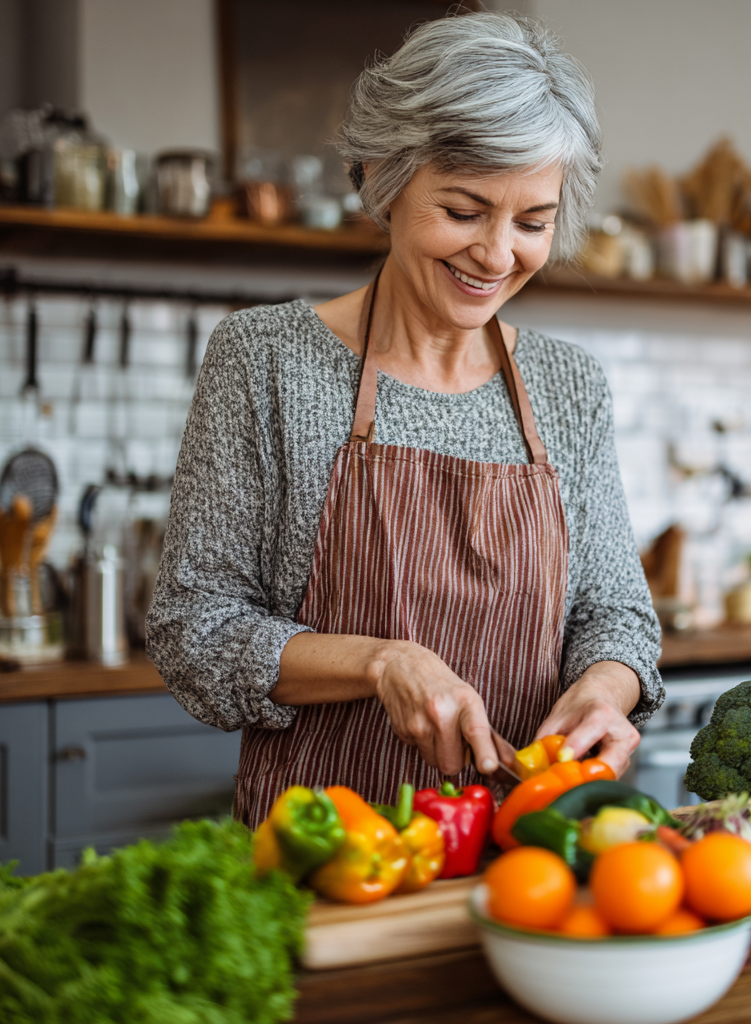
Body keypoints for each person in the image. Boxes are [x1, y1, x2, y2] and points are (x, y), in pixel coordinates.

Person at [146, 11, 663, 828]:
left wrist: (606, 686)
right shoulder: (266, 359)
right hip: (324, 854)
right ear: (385, 177)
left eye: (533, 222)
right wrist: (382, 663)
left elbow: (617, 613)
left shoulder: (569, 386)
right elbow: (195, 632)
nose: (497, 255)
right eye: (464, 210)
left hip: (525, 856)